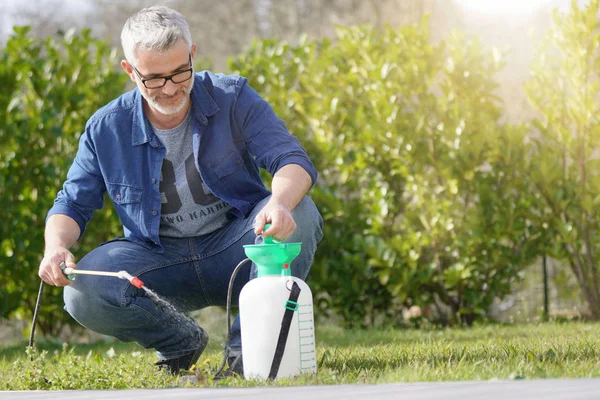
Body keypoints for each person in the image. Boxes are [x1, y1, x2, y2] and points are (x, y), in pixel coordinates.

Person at [38, 5, 323, 376]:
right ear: (130, 70)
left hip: (238, 248)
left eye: (179, 72)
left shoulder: (232, 97)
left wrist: (281, 202)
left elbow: (292, 160)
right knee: (81, 291)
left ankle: (246, 355)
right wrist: (56, 247)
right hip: (158, 262)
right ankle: (180, 342)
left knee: (300, 214)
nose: (170, 88)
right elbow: (72, 204)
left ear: (192, 54)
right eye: (154, 78)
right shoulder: (105, 128)